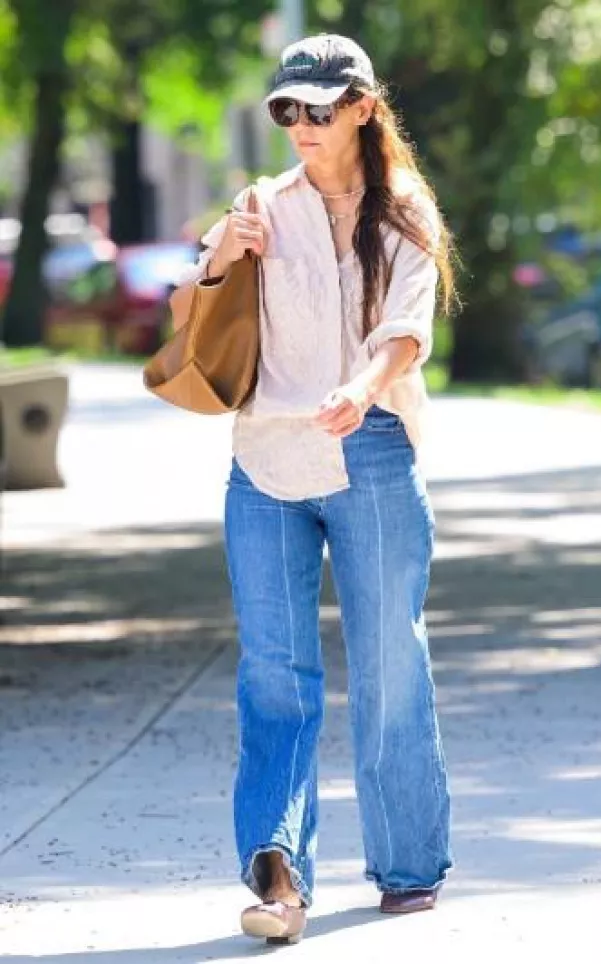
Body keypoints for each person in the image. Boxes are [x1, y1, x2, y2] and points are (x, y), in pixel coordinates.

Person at [184, 32, 456, 946]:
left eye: (320, 107)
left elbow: (407, 330)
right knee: (275, 677)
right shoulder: (262, 204)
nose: (302, 124)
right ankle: (278, 875)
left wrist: (362, 388)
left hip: (370, 450)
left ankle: (409, 862)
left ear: (363, 108)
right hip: (264, 465)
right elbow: (194, 316)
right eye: (288, 110)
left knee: (389, 667)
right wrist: (224, 247)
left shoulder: (405, 210)